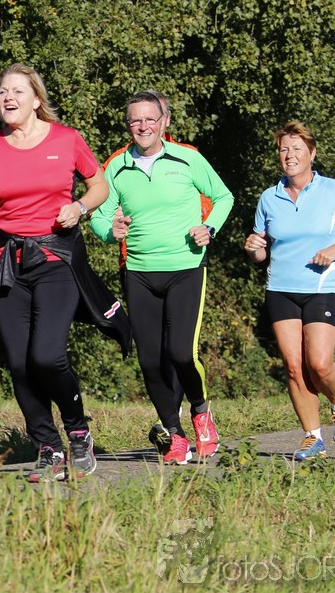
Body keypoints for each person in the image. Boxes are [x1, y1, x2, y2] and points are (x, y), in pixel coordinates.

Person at [0, 63, 128, 482]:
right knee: (19, 363)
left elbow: (100, 186)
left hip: (56, 257)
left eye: (17, 91)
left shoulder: (66, 139)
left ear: (36, 99)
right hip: (6, 263)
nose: (8, 98)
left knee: (47, 355)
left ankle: (77, 430)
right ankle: (47, 447)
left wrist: (80, 207)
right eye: (2, 92)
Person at [91, 91, 234, 465]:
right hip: (139, 272)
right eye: (135, 120)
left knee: (181, 353)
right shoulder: (116, 167)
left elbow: (224, 197)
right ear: (128, 125)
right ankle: (174, 434)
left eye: (150, 119)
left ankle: (201, 411)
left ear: (164, 122)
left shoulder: (187, 158)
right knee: (150, 360)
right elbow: (98, 215)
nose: (143, 126)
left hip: (186, 267)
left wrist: (209, 228)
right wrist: (110, 231)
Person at [244, 121, 335, 460]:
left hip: (322, 286)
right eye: (284, 149)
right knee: (295, 368)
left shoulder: (333, 190)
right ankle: (313, 437)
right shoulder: (269, 198)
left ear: (312, 154)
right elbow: (260, 253)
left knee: (319, 364)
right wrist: (253, 248)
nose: (289, 155)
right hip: (280, 288)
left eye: (296, 149)